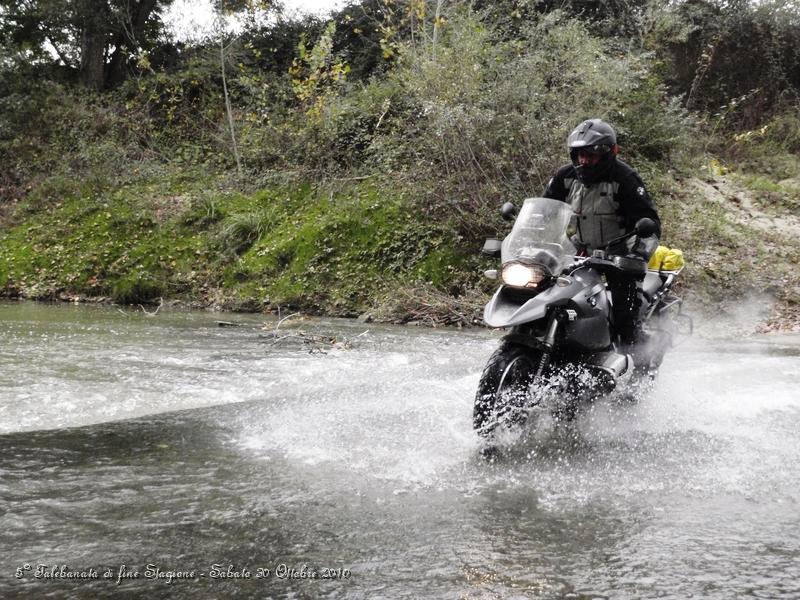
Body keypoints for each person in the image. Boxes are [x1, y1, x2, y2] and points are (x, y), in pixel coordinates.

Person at [542, 118, 661, 346]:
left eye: (590, 155)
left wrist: (636, 256)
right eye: (579, 155)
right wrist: (533, 238)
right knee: (557, 302)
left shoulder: (625, 179)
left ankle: (635, 365)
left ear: (609, 152)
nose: (584, 161)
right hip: (580, 254)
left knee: (625, 318)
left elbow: (651, 225)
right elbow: (545, 210)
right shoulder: (565, 176)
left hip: (619, 257)